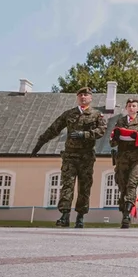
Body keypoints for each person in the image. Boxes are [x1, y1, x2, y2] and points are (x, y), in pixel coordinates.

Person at [32, 87, 108, 229]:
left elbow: (101, 131)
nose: (83, 97)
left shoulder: (97, 115)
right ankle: (65, 215)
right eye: (80, 95)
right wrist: (40, 144)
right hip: (70, 155)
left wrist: (84, 134)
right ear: (77, 98)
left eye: (86, 95)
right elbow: (54, 129)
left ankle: (80, 216)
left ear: (91, 98)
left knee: (84, 187)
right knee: (67, 185)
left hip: (86, 156)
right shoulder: (69, 114)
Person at [109, 99, 138, 229]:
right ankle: (124, 209)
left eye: (133, 106)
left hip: (136, 159)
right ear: (126, 108)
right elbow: (112, 142)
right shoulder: (120, 122)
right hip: (122, 158)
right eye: (129, 105)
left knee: (131, 184)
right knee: (123, 186)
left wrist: (137, 138)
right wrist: (116, 137)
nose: (131, 108)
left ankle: (127, 215)